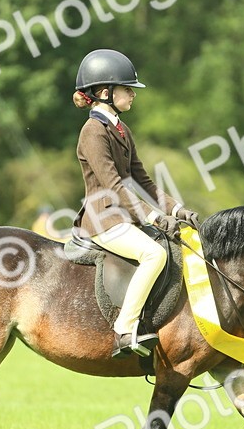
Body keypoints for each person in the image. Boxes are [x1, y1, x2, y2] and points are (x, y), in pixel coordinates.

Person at [70, 49, 201, 358]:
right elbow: (114, 185)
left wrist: (177, 209)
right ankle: (124, 331)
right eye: (126, 89)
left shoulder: (120, 129)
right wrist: (155, 219)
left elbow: (143, 180)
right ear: (104, 93)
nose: (132, 94)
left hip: (124, 218)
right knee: (153, 254)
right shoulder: (92, 132)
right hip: (103, 220)